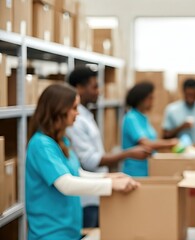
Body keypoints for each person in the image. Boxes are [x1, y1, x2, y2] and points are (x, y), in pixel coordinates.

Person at [26, 84, 140, 240]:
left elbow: (76, 173)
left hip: (69, 230)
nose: (77, 113)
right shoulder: (41, 145)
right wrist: (110, 185)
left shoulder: (61, 141)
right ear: (58, 109)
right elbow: (66, 184)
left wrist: (107, 177)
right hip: (50, 234)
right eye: (73, 108)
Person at [66, 67, 152, 228]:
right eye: (94, 87)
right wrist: (127, 155)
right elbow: (87, 163)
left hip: (97, 192)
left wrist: (110, 178)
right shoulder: (75, 122)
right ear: (79, 88)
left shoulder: (85, 115)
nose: (99, 92)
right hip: (87, 198)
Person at [122, 81, 179, 177]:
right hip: (135, 172)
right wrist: (170, 143)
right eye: (150, 98)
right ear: (141, 99)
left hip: (148, 169)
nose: (152, 102)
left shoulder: (143, 118)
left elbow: (152, 141)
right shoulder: (131, 118)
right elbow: (146, 143)